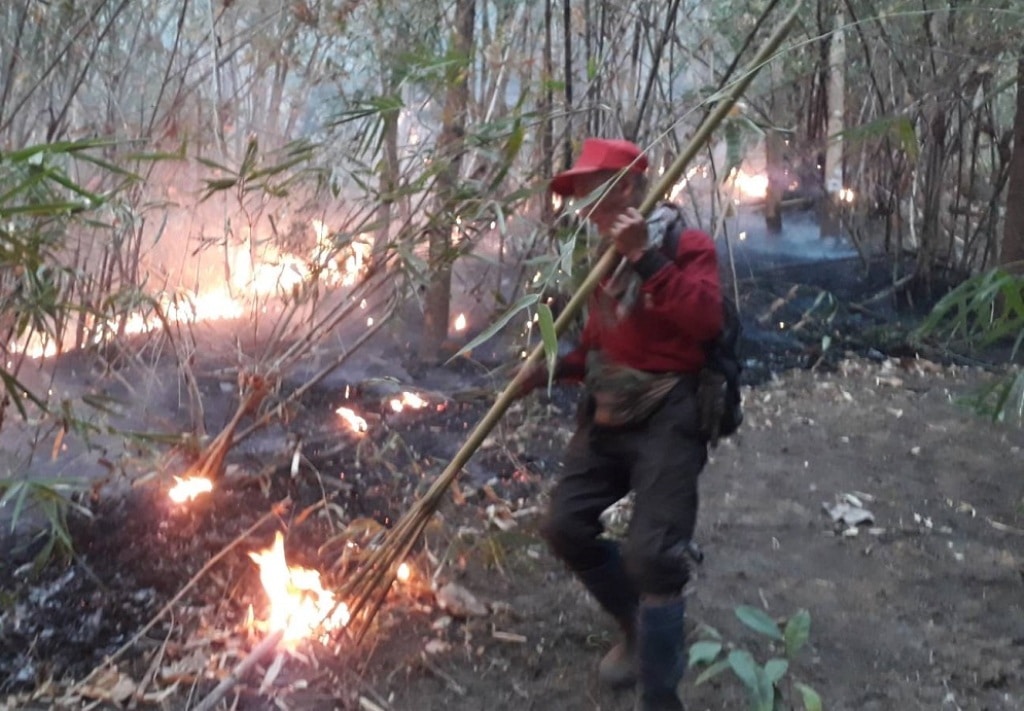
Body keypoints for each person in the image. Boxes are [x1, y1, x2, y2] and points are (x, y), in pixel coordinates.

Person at [516, 138, 723, 710]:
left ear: (628, 187)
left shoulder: (686, 244)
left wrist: (646, 257)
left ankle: (660, 698)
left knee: (654, 556)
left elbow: (706, 320)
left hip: (670, 414)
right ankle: (638, 627)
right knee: (565, 524)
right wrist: (552, 368)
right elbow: (599, 344)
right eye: (579, 192)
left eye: (592, 189)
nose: (583, 204)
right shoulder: (601, 261)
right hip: (608, 412)